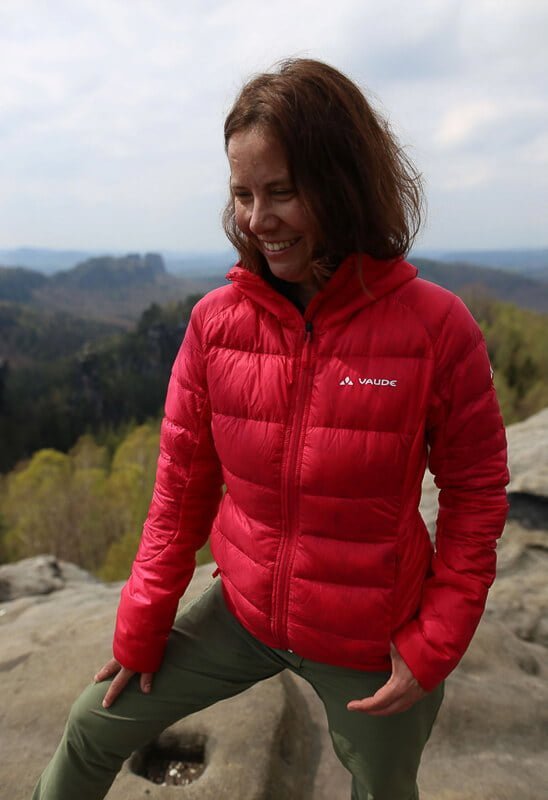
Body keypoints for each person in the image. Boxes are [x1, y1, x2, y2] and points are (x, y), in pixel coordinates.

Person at [32, 58, 509, 800]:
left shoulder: (435, 328)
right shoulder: (216, 325)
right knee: (92, 725)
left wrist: (435, 641)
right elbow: (180, 490)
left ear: (343, 181)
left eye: (282, 191)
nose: (258, 219)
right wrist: (142, 623)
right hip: (245, 610)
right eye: (243, 195)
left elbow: (476, 494)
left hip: (371, 635)